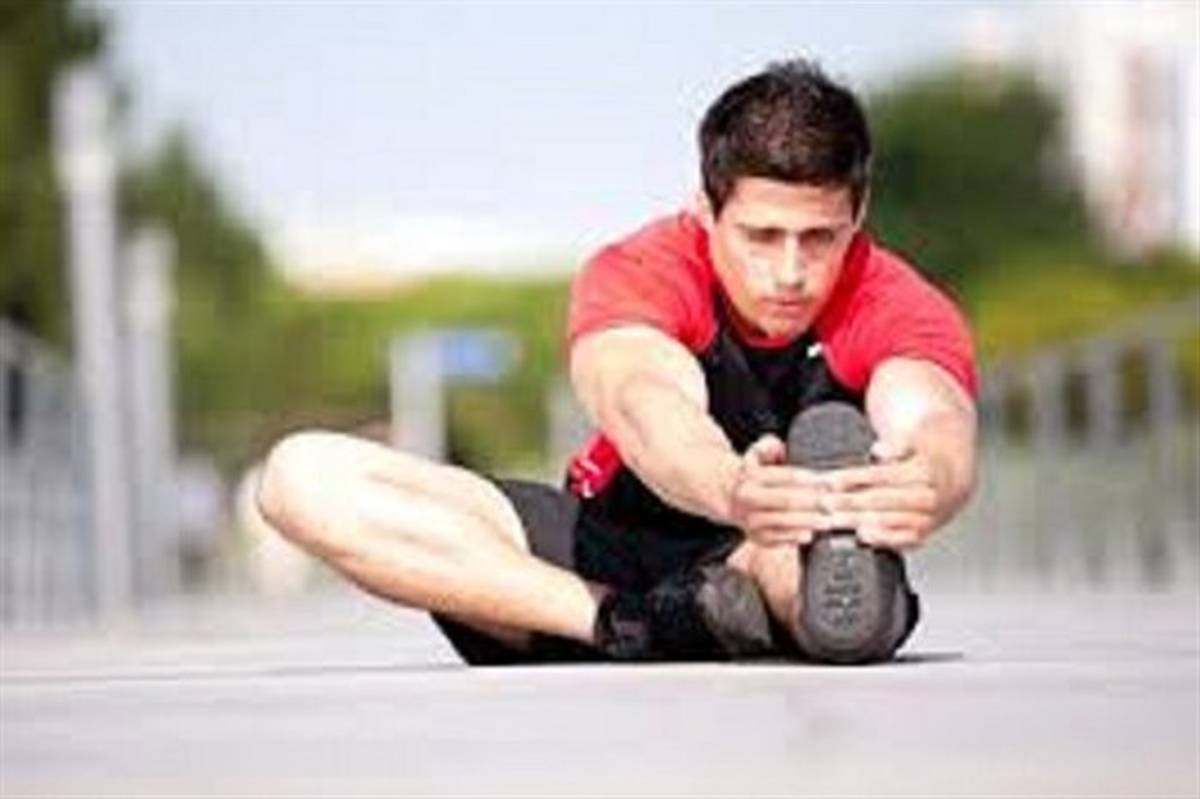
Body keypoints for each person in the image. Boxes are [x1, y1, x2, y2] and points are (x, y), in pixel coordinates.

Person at [256, 58, 978, 665]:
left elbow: (934, 413)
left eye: (819, 238)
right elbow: (645, 400)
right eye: (761, 236)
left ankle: (802, 601)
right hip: (590, 556)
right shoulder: (642, 270)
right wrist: (731, 485)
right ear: (706, 209)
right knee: (298, 474)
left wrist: (926, 479)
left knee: (787, 559)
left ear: (860, 211)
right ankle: (631, 622)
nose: (790, 273)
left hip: (755, 550)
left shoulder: (894, 299)